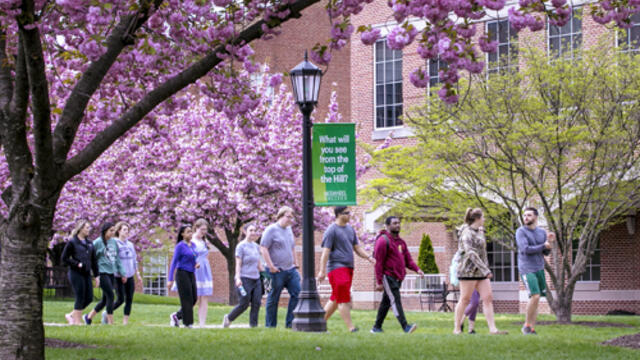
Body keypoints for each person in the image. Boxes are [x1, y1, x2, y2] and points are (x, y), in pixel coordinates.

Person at [317, 206, 374, 332]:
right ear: (338, 215)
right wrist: (322, 271)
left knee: (336, 298)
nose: (349, 215)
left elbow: (357, 248)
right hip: (336, 268)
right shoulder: (331, 230)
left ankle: (319, 323)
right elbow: (325, 252)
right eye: (347, 213)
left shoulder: (350, 230)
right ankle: (351, 328)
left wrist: (369, 257)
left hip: (348, 268)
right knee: (343, 298)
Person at [453, 208, 507, 335]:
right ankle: (456, 328)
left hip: (481, 272)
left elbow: (482, 253)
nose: (484, 219)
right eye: (483, 217)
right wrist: (486, 269)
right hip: (468, 271)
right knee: (465, 299)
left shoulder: (479, 231)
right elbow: (471, 253)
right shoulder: (467, 233)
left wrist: (484, 269)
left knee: (488, 298)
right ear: (477, 219)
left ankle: (493, 329)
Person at [371, 216, 424, 334]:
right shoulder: (383, 241)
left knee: (386, 302)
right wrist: (379, 282)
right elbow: (378, 263)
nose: (398, 225)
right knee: (395, 300)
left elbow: (408, 260)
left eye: (399, 223)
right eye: (394, 223)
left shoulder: (401, 242)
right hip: (388, 276)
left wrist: (417, 269)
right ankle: (406, 326)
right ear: (387, 226)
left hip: (398, 277)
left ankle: (376, 327)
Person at [260, 206, 300, 328]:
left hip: (290, 270)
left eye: (292, 217)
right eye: (288, 217)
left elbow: (292, 247)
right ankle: (270, 326)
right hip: (275, 271)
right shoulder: (271, 230)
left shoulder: (289, 229)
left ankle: (290, 323)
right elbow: (263, 248)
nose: (290, 220)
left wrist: (296, 263)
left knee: (298, 293)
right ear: (280, 216)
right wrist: (271, 266)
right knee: (273, 298)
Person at [516, 207, 554, 335]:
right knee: (535, 295)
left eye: (529, 215)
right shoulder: (520, 231)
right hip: (527, 268)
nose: (526, 217)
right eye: (525, 215)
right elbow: (525, 249)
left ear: (536, 217)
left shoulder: (542, 233)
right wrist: (543, 246)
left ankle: (532, 328)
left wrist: (549, 244)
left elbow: (546, 252)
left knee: (537, 299)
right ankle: (526, 326)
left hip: (539, 267)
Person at [84, 222, 126, 325]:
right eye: (110, 231)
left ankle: (88, 317)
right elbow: (90, 257)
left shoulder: (113, 242)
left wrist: (122, 273)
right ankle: (110, 322)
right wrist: (93, 272)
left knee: (104, 300)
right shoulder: (97, 242)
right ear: (105, 231)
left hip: (111, 272)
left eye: (113, 231)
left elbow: (117, 259)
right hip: (101, 272)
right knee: (111, 295)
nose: (112, 233)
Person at [223, 223, 264, 328]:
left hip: (256, 279)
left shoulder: (256, 246)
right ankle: (229, 318)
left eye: (255, 230)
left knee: (256, 303)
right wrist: (237, 277)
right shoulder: (241, 246)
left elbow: (259, 264)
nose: (253, 233)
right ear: (245, 232)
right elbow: (238, 263)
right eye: (251, 230)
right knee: (244, 304)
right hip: (245, 278)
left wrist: (267, 272)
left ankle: (253, 326)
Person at [61, 220, 99, 325]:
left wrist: (96, 276)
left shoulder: (90, 243)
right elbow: (64, 258)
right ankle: (77, 321)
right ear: (81, 228)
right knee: (80, 296)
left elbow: (94, 260)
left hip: (86, 273)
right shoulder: (72, 242)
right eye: (87, 228)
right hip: (75, 273)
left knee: (89, 297)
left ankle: (71, 315)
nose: (89, 230)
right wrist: (76, 263)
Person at [167, 224, 200, 328]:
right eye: (188, 232)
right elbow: (174, 262)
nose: (191, 234)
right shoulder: (180, 246)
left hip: (191, 273)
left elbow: (193, 258)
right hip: (182, 273)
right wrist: (170, 279)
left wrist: (196, 264)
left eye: (191, 231)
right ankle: (188, 323)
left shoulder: (193, 245)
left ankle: (176, 316)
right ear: (182, 234)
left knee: (194, 298)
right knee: (187, 299)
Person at [110, 221, 143, 325]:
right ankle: (108, 312)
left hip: (130, 275)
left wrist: (137, 273)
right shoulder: (114, 243)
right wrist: (121, 273)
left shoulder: (130, 244)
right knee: (120, 299)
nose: (126, 232)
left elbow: (134, 260)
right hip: (118, 276)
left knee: (129, 299)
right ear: (119, 231)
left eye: (128, 230)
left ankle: (125, 322)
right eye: (124, 230)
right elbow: (114, 260)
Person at [191, 218, 214, 327]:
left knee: (204, 297)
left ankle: (202, 323)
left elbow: (206, 255)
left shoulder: (204, 241)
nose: (204, 232)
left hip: (204, 269)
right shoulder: (191, 241)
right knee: (194, 297)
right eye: (202, 229)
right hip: (195, 269)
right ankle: (183, 317)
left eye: (205, 230)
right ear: (196, 228)